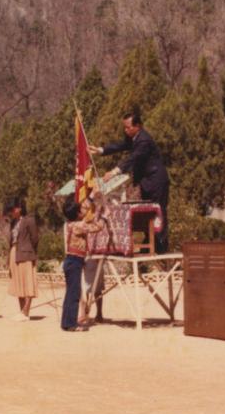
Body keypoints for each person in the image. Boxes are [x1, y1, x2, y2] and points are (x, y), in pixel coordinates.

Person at [89, 110, 170, 252]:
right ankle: (150, 244)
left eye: (128, 127)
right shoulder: (134, 138)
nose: (126, 130)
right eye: (124, 127)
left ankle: (161, 247)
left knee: (158, 212)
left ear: (137, 126)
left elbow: (132, 159)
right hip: (146, 182)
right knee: (148, 213)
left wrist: (114, 172)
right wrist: (101, 150)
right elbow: (121, 145)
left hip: (157, 180)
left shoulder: (144, 140)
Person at [61, 193, 105, 332]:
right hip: (74, 261)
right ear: (77, 213)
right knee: (74, 293)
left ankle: (66, 322)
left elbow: (85, 212)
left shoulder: (71, 223)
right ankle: (71, 324)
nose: (84, 211)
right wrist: (103, 216)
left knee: (71, 293)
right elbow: (97, 227)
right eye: (80, 210)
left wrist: (90, 199)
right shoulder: (78, 226)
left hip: (71, 261)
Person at [4, 198, 39, 321]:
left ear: (19, 208)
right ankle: (22, 312)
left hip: (26, 253)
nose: (11, 212)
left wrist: (31, 252)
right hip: (14, 252)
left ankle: (25, 311)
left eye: (12, 209)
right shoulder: (13, 222)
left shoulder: (29, 220)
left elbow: (35, 238)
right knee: (18, 282)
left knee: (28, 282)